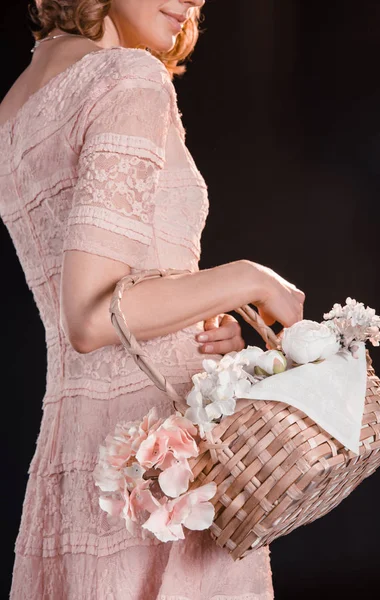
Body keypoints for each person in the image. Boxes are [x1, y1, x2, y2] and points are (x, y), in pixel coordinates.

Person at [0, 1, 305, 598]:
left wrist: (196, 316)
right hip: (159, 473)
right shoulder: (127, 76)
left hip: (75, 459)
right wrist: (253, 279)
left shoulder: (15, 108)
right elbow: (89, 316)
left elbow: (98, 306)